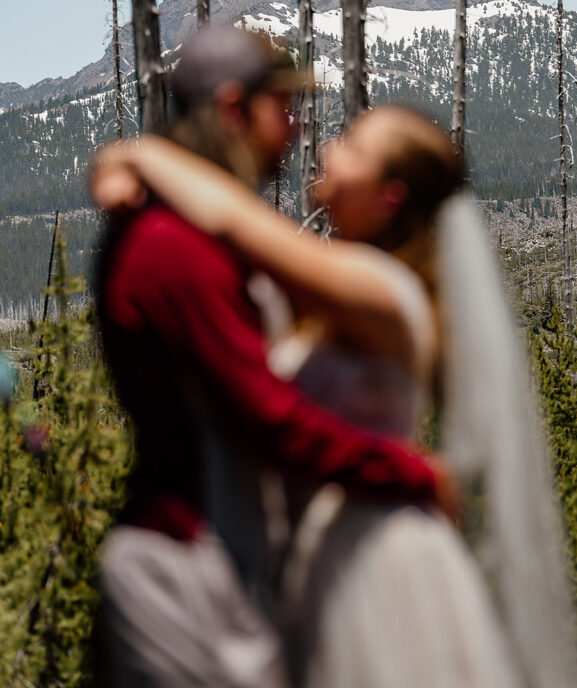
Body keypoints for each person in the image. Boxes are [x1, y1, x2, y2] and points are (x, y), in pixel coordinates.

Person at [93, 59, 522, 688]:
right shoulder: (335, 292)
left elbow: (230, 221)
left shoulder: (383, 289)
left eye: (351, 146)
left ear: (388, 198)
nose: (324, 144)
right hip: (319, 558)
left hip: (376, 557)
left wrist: (139, 155)